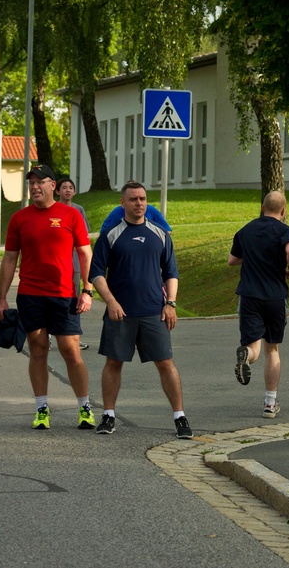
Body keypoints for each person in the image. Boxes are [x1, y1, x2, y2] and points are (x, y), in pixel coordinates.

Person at [0, 164, 96, 430]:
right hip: (30, 294)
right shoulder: (20, 218)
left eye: (40, 182)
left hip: (65, 295)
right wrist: (2, 297)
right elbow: (9, 259)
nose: (35, 187)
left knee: (71, 351)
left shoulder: (70, 215)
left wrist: (87, 290)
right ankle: (42, 408)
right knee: (38, 351)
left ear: (53, 185)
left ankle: (85, 407)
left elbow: (86, 254)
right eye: (31, 183)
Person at [89, 181, 192, 439]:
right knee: (113, 363)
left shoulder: (160, 234)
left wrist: (171, 304)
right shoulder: (111, 235)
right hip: (120, 313)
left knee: (166, 363)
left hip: (153, 312)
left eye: (143, 199)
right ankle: (108, 416)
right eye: (133, 199)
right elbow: (96, 274)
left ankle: (180, 417)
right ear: (123, 203)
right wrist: (111, 301)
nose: (139, 203)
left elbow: (172, 273)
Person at [229, 191, 289, 419]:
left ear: (262, 207)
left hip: (249, 295)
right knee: (272, 349)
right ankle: (270, 404)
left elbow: (232, 260)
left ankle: (245, 356)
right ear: (283, 210)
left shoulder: (246, 230)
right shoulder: (284, 231)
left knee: (254, 348)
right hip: (275, 296)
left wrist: (252, 256)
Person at [56, 177, 92, 349]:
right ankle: (50, 335)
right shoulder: (52, 209)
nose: (68, 190)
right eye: (64, 187)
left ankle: (74, 335)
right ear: (57, 191)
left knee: (75, 300)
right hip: (57, 264)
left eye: (71, 188)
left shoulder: (79, 210)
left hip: (75, 264)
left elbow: (84, 238)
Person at [102, 202, 172, 235]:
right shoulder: (117, 212)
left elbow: (167, 231)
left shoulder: (151, 210)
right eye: (132, 199)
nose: (138, 202)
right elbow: (103, 233)